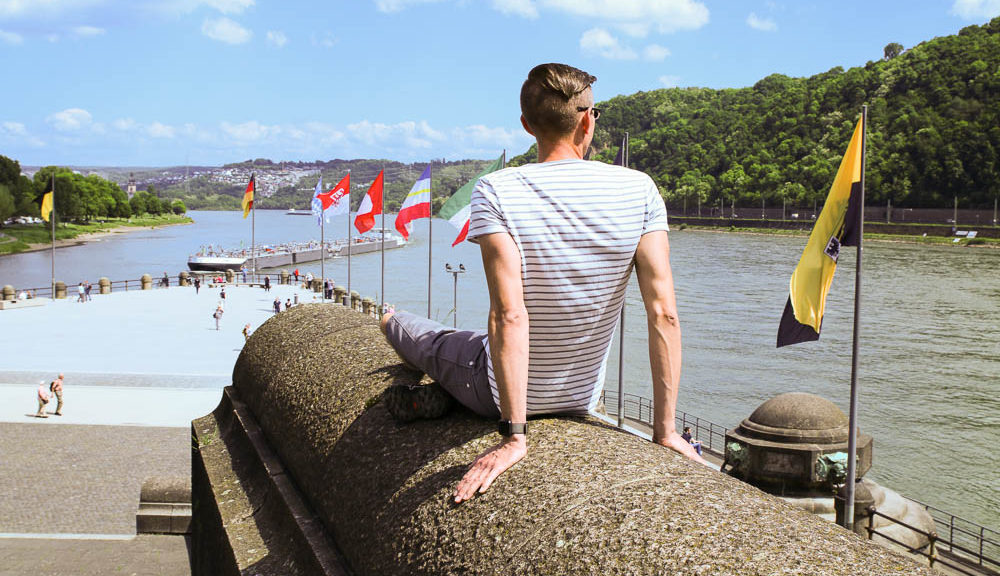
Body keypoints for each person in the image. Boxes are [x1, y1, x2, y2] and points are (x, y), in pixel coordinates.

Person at [379, 63, 705, 505]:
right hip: (581, 396)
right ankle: (438, 388)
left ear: (527, 125)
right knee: (464, 342)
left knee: (425, 338)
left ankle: (391, 323)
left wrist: (515, 438)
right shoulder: (641, 190)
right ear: (587, 120)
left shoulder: (495, 190)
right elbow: (663, 312)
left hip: (495, 392)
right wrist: (665, 431)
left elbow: (509, 315)